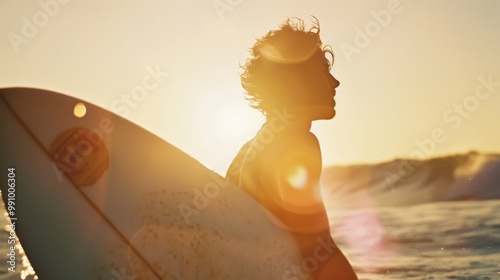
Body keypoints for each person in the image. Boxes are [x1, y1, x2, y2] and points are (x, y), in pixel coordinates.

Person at [225, 17, 359, 279]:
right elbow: (318, 250)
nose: (335, 83)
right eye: (323, 71)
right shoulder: (298, 143)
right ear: (292, 79)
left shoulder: (249, 149)